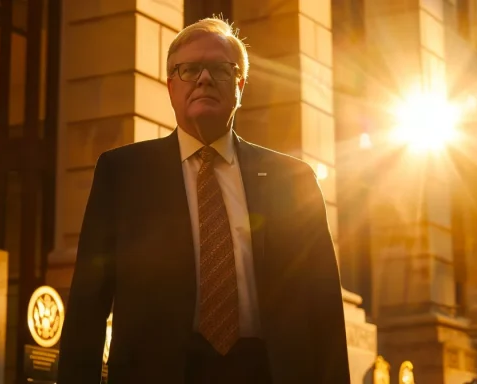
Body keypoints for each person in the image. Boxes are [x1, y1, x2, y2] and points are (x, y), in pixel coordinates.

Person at [56, 17, 350, 384]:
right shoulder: (122, 173)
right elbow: (88, 301)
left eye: (220, 70)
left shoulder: (293, 180)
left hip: (264, 372)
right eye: (189, 69)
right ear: (170, 86)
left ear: (240, 85)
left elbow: (323, 307)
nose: (204, 79)